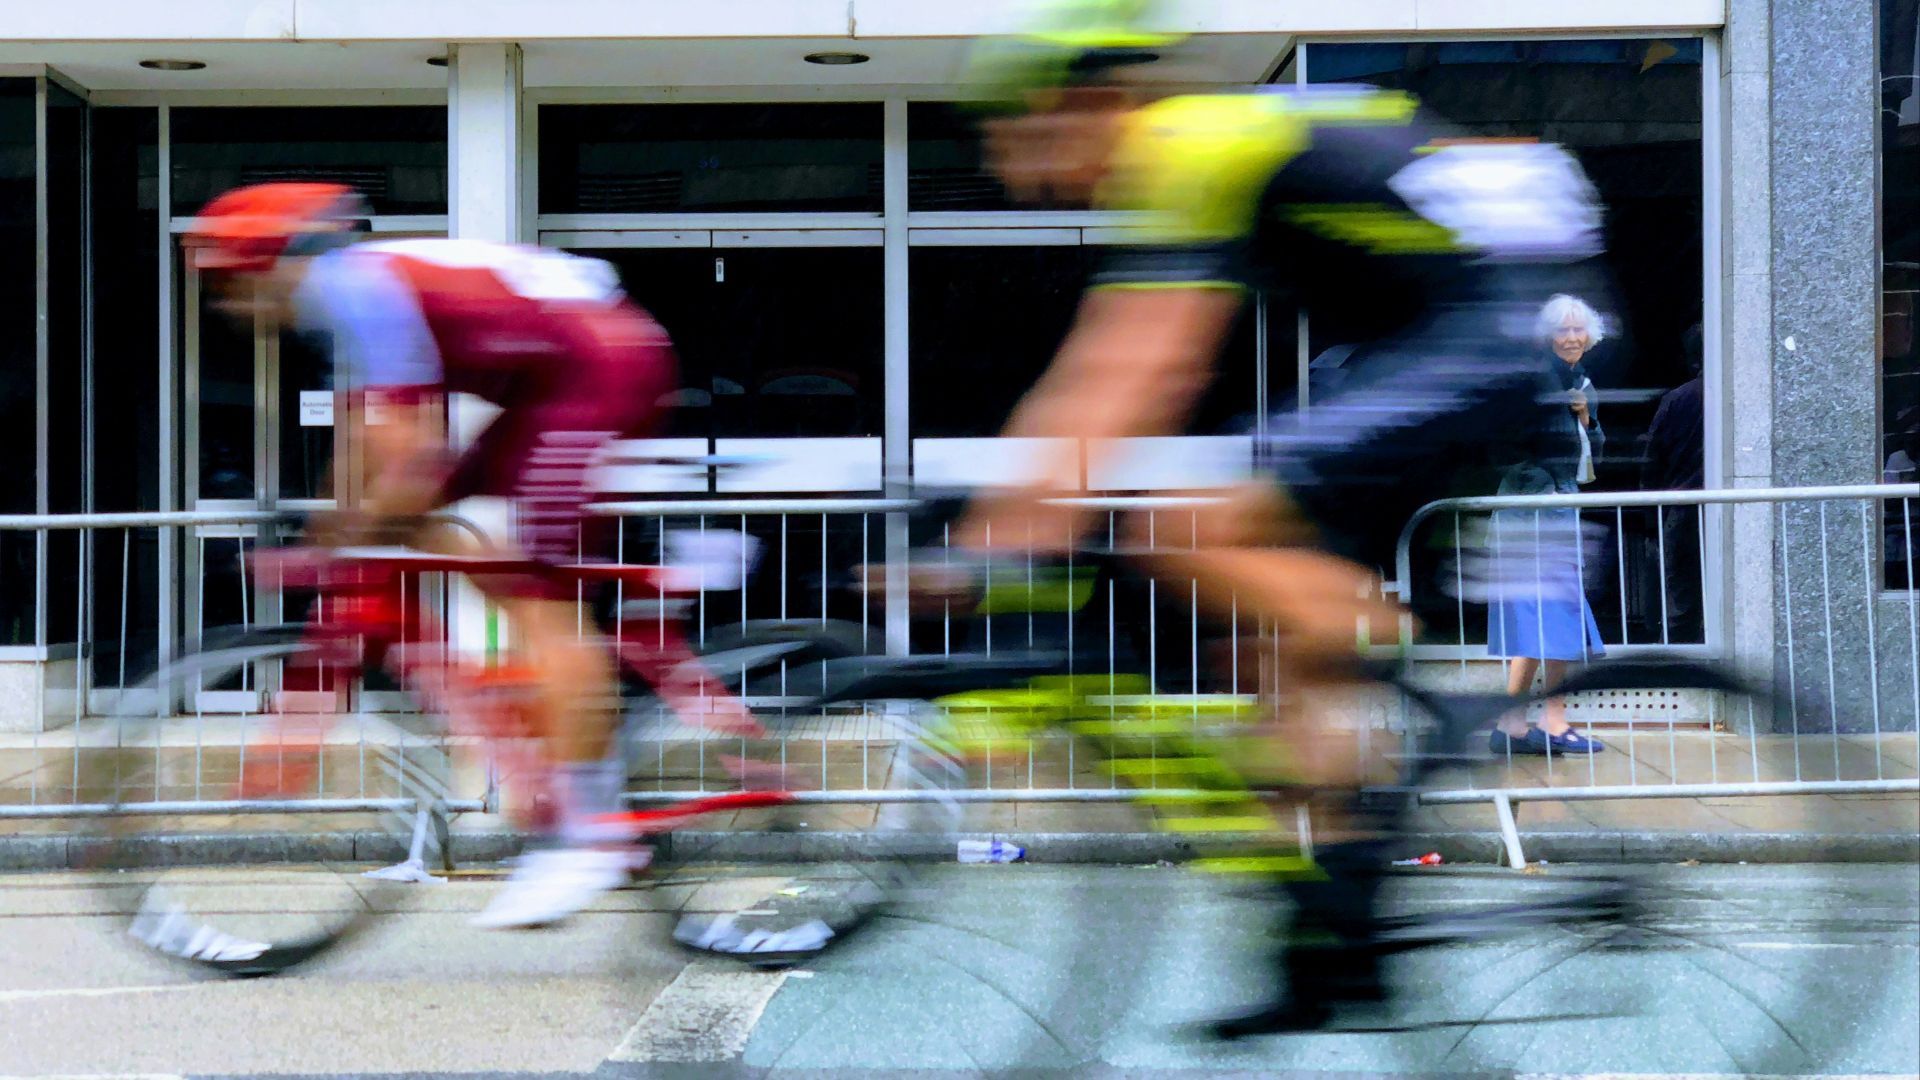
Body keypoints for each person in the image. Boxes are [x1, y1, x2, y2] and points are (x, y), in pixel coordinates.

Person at [949, 0, 1609, 1035]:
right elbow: (1125, 374)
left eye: (1018, 135)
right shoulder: (1213, 148)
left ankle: (1370, 636)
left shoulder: (1192, 145)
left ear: (1086, 100)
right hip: (1435, 331)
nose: (1013, 166)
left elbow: (1133, 370)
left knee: (1187, 531)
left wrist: (990, 535)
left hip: (1481, 333)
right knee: (1270, 654)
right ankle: (1329, 935)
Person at [187, 183, 678, 929]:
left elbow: (406, 449)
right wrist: (332, 538)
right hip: (549, 376)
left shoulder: (351, 289)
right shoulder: (344, 301)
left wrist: (357, 533)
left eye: (229, 286)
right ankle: (552, 740)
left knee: (539, 596)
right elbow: (363, 443)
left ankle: (583, 837)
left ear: (268, 264)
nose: (229, 308)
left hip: (596, 368)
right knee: (433, 520)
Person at [1486, 295, 1610, 756]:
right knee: (1554, 614)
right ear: (1547, 336)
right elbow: (1523, 444)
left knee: (1546, 616)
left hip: (1553, 506)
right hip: (1534, 508)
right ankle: (1553, 721)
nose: (1573, 337)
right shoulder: (1534, 379)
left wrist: (1586, 416)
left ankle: (1513, 723)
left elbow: (1593, 449)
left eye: (1580, 330)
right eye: (1563, 330)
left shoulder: (1580, 381)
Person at [1641, 323, 1705, 642]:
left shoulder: (1677, 399)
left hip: (1682, 512)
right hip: (1704, 508)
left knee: (1682, 598)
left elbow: (1652, 461)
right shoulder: (1735, 395)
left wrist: (1649, 519)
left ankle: (1683, 664)